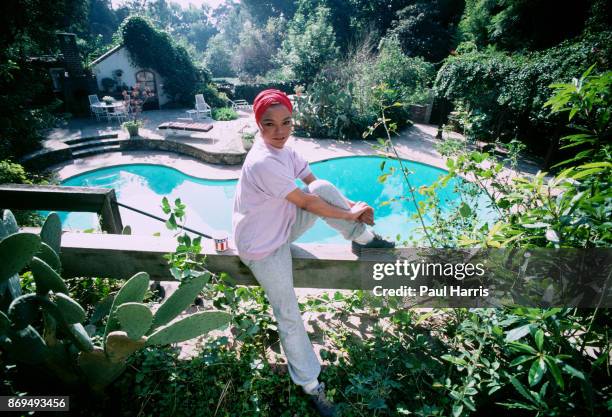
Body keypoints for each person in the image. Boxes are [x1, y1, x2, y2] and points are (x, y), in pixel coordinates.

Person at [232, 89, 395, 416]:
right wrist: (349, 214)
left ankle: (363, 238)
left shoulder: (285, 150)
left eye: (286, 122)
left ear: (292, 121)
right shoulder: (263, 160)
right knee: (288, 312)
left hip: (281, 223)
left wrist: (354, 207)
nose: (280, 131)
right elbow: (306, 203)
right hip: (262, 246)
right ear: (258, 126)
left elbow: (313, 184)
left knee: (321, 188)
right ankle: (310, 385)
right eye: (270, 125)